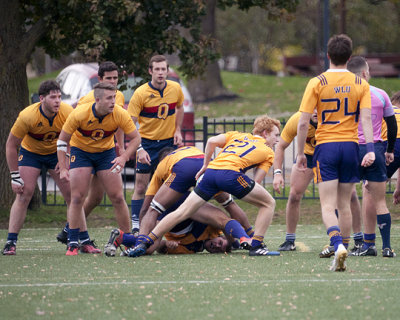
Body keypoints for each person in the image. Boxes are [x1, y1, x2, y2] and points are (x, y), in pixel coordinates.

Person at [128, 114, 281, 257]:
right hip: (230, 175)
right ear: (265, 133)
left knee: (182, 212)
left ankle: (146, 240)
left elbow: (211, 141)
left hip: (210, 172)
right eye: (276, 135)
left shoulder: (237, 135)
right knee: (268, 203)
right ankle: (256, 245)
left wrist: (205, 165)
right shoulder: (268, 151)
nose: (278, 140)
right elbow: (257, 181)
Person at [296, 34, 375, 271]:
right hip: (351, 147)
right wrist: (369, 149)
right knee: (346, 203)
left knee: (328, 206)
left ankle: (337, 245)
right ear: (350, 57)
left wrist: (300, 153)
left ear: (328, 55)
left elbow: (302, 123)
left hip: (326, 147)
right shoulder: (361, 84)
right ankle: (344, 249)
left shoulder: (316, 82)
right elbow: (367, 120)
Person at [104, 146, 254, 257]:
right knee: (229, 204)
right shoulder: (184, 153)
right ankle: (251, 236)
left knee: (153, 211)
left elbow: (146, 211)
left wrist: (143, 234)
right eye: (220, 243)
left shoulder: (162, 168)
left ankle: (134, 242)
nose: (216, 244)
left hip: (181, 195)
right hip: (207, 165)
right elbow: (162, 246)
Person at [57, 82, 141, 255]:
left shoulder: (119, 113)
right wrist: (64, 167)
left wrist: (124, 157)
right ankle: (73, 242)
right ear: (97, 100)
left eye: (115, 97)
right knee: (77, 197)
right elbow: (62, 141)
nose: (113, 102)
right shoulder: (79, 113)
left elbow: (136, 138)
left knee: (117, 197)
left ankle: (127, 241)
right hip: (81, 153)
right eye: (109, 98)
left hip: (106, 154)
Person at [56, 61, 126, 244]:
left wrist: (121, 147)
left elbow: (118, 123)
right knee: (80, 196)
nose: (112, 82)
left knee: (96, 197)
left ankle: (68, 229)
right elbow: (72, 128)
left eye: (115, 78)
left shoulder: (117, 97)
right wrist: (68, 155)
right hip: (84, 151)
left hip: (105, 152)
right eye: (108, 78)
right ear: (100, 80)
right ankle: (73, 233)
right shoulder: (87, 101)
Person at [2, 80, 73, 255]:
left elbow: (75, 137)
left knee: (73, 195)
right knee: (24, 194)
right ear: (41, 98)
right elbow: (11, 145)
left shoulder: (67, 111)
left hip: (56, 153)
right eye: (52, 97)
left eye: (59, 97)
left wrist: (66, 159)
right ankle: (11, 242)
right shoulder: (27, 116)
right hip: (31, 153)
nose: (57, 101)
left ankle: (76, 238)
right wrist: (14, 175)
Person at [345, 56, 397, 258]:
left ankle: (352, 244)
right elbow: (392, 125)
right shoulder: (381, 94)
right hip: (375, 148)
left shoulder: (344, 96)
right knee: (380, 201)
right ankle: (386, 247)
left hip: (350, 148)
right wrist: (390, 150)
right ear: (365, 73)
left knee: (343, 199)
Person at [127, 54, 184, 233]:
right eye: (157, 69)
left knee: (169, 184)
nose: (160, 73)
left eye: (163, 69)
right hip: (147, 144)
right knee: (141, 186)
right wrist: (140, 147)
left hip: (168, 144)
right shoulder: (141, 93)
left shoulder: (175, 88)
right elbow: (130, 122)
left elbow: (180, 107)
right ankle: (136, 222)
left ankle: (167, 220)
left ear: (168, 71)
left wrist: (178, 130)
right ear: (150, 71)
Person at [273, 110, 317, 251]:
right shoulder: (298, 119)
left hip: (328, 156)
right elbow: (280, 146)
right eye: (313, 107)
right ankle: (289, 240)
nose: (316, 110)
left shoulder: (331, 116)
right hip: (306, 158)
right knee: (293, 196)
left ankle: (343, 239)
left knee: (342, 196)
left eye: (319, 106)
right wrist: (278, 173)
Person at [384, 92, 400, 205]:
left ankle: (373, 223)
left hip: (393, 142)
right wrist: (398, 189)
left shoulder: (389, 110)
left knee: (371, 188)